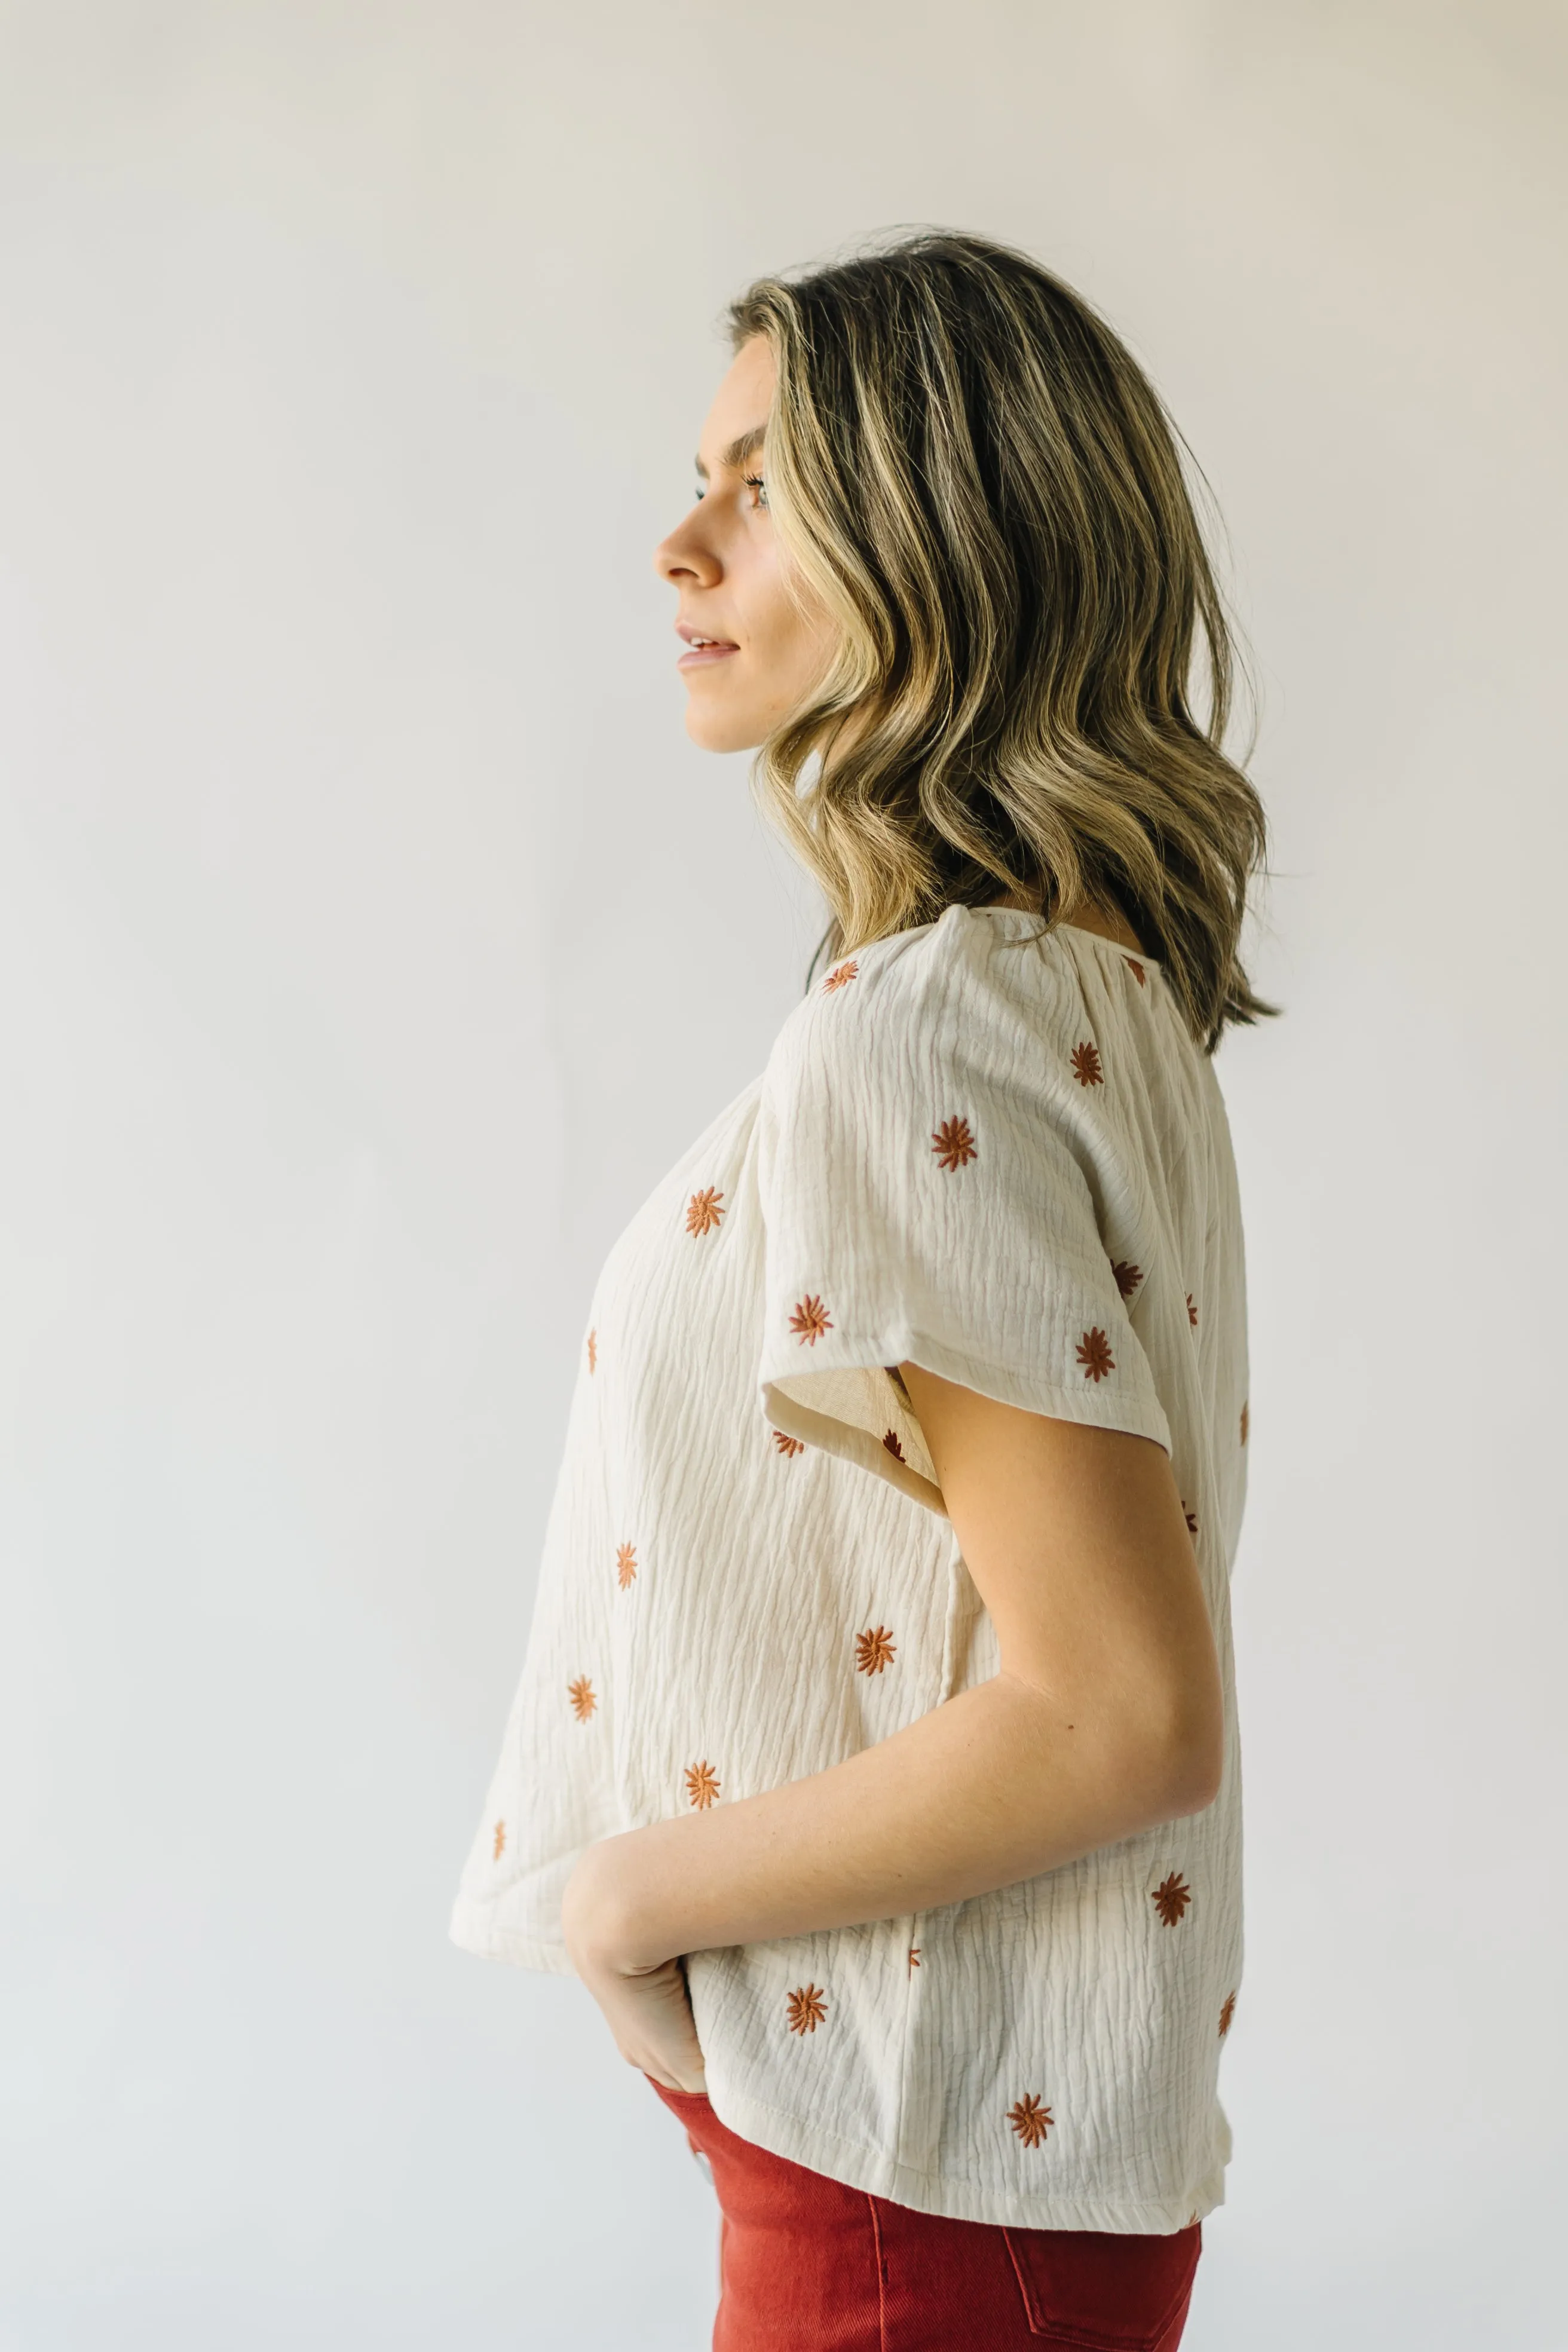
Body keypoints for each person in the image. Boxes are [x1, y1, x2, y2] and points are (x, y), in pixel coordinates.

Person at [451, 228, 1272, 2351]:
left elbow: (1115, 1711)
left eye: (757, 482)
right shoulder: (1082, 1000)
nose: (678, 542)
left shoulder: (927, 1027)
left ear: (943, 529)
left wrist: (629, 1896)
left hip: (908, 2172)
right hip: (957, 2147)